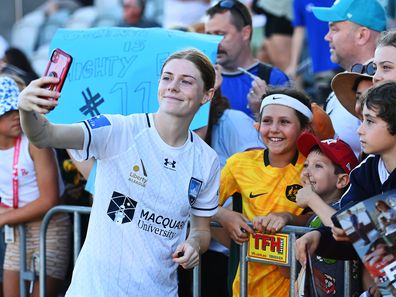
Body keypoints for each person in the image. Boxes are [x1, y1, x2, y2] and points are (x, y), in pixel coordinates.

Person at [18, 48, 220, 296]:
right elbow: (43, 135)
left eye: (186, 81)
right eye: (167, 77)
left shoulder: (207, 160)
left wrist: (193, 245)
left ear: (207, 95)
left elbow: (201, 230)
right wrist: (25, 108)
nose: (173, 86)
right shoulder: (118, 129)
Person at [295, 80, 396, 297]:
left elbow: (353, 226)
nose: (359, 130)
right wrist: (319, 237)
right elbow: (344, 225)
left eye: (369, 121)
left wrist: (312, 200)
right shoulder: (367, 169)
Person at [213, 88, 313, 296]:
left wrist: (289, 218)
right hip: (245, 287)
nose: (274, 129)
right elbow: (200, 204)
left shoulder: (313, 167)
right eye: (267, 121)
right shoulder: (239, 164)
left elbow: (325, 216)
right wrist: (223, 215)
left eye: (284, 122)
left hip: (299, 288)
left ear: (304, 129)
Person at [0, 75, 71, 297]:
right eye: (6, 111)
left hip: (51, 228)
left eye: (16, 109)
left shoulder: (34, 141)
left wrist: (2, 218)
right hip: (17, 231)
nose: (15, 116)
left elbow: (50, 201)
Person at [312, 0, 386, 157]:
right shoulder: (344, 80)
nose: (327, 37)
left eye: (334, 29)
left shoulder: (382, 86)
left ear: (362, 35)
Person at [292, 132, 360, 296]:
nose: (307, 172)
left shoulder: (350, 208)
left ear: (341, 180)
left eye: (318, 166)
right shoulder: (313, 214)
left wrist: (310, 198)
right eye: (306, 165)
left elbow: (345, 226)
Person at [204, 0, 289, 119]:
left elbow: (289, 133)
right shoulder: (203, 78)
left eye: (220, 34)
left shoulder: (273, 79)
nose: (214, 43)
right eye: (208, 35)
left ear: (245, 33)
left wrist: (262, 111)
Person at [286, 0, 340, 105]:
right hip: (320, 63)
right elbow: (299, 31)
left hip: (344, 58)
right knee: (324, 105)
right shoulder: (299, 1)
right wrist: (293, 64)